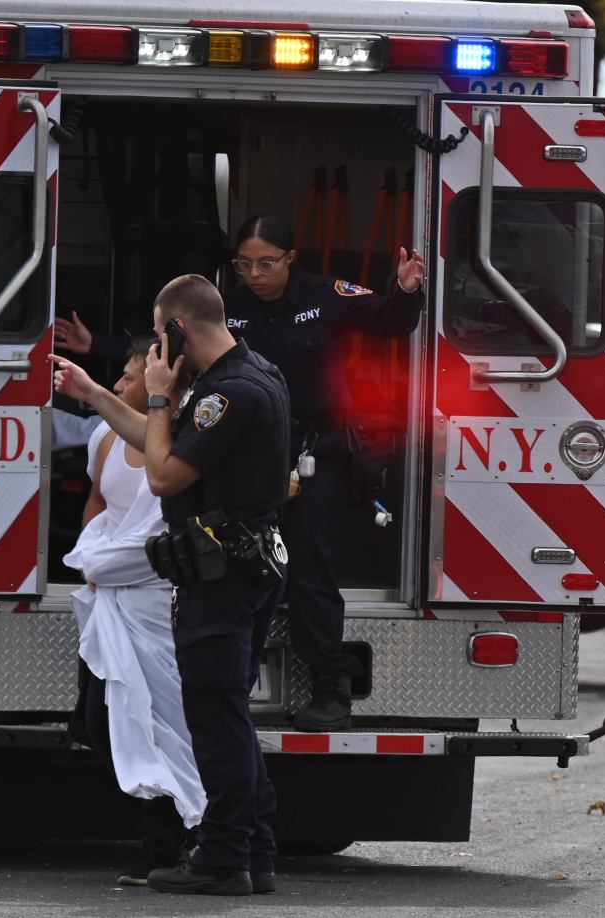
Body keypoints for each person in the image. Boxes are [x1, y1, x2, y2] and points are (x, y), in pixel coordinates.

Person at [51, 274, 292, 897]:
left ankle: (223, 855)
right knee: (227, 715)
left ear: (179, 327)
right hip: (240, 569)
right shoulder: (251, 374)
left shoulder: (227, 395)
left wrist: (158, 397)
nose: (158, 352)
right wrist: (97, 394)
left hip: (221, 577)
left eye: (162, 335)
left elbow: (162, 474)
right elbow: (162, 442)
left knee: (214, 721)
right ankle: (254, 852)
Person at [223, 214, 424, 732]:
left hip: (318, 452)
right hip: (248, 456)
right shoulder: (229, 307)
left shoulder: (326, 295)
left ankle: (330, 688)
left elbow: (388, 322)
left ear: (291, 259)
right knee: (237, 563)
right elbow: (176, 345)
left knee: (310, 567)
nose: (254, 273)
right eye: (244, 263)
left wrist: (404, 293)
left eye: (266, 263)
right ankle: (228, 680)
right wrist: (98, 351)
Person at [63, 338, 205, 887]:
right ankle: (161, 835)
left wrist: (111, 564)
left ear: (162, 385)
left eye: (128, 378)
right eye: (119, 378)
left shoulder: (187, 440)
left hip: (156, 601)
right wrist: (92, 560)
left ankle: (185, 836)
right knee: (102, 722)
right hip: (108, 599)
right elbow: (98, 503)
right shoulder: (105, 435)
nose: (121, 385)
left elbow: (166, 531)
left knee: (167, 723)